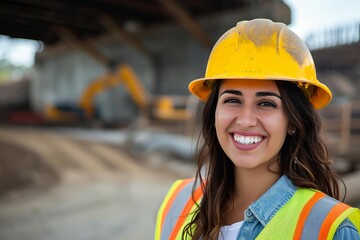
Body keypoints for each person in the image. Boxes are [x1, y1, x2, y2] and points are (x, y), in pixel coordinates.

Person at [154, 18, 360, 240]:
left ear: (293, 121)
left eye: (266, 103)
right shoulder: (177, 201)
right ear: (214, 113)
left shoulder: (330, 229)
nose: (245, 120)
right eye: (232, 100)